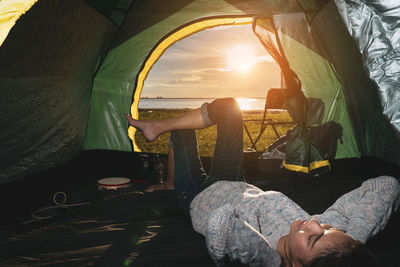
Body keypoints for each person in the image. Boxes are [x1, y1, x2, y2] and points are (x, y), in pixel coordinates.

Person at [126, 98, 400, 267]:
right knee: (230, 107)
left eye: (315, 237)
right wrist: (354, 241)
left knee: (182, 132)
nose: (315, 223)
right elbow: (387, 186)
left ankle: (173, 181)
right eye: (327, 227)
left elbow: (220, 224)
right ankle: (156, 128)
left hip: (195, 194)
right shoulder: (327, 242)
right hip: (234, 181)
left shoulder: (264, 255)